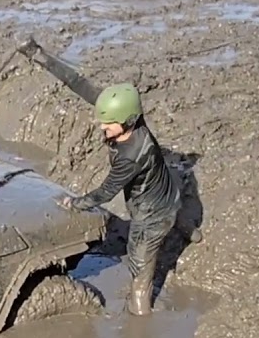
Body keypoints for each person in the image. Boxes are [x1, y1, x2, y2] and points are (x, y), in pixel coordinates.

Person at [17, 38, 182, 315]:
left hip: (152, 215)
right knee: (165, 216)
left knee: (139, 270)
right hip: (166, 195)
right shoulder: (128, 114)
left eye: (108, 124)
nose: (101, 126)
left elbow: (106, 192)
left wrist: (75, 203)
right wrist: (38, 55)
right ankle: (186, 228)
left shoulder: (133, 155)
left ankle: (139, 322)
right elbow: (78, 82)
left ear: (128, 122)